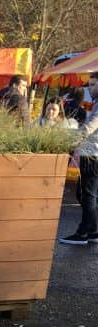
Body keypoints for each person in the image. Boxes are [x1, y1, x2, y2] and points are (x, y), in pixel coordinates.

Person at [58, 72, 98, 246]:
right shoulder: (95, 104)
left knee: (86, 194)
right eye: (89, 84)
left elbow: (89, 127)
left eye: (93, 84)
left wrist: (69, 138)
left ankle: (83, 233)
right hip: (92, 153)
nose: (90, 88)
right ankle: (94, 231)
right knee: (88, 194)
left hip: (92, 154)